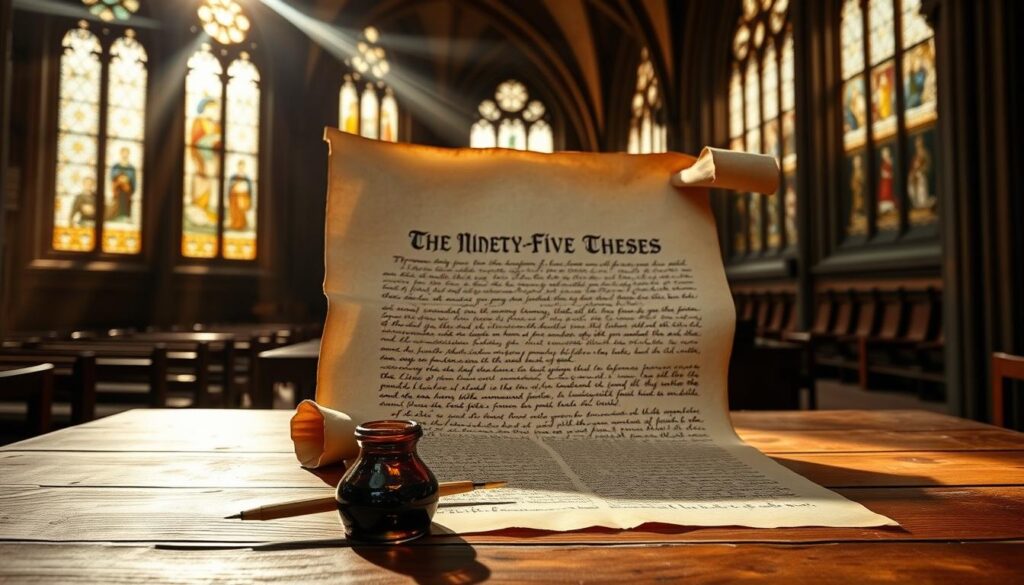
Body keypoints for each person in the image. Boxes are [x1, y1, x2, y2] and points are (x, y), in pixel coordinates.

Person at [189, 97, 222, 225]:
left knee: (210, 183)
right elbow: (195, 140)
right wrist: (210, 140)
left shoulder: (216, 125)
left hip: (212, 158)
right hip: (200, 157)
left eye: (215, 109)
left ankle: (206, 208)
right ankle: (198, 207)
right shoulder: (198, 122)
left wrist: (218, 142)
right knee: (201, 181)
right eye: (211, 109)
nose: (214, 112)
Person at [107, 146, 136, 220]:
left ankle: (125, 217)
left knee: (126, 204)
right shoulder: (115, 166)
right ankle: (116, 217)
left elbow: (133, 181)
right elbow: (112, 177)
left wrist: (127, 179)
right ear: (121, 154)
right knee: (117, 204)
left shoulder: (131, 167)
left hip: (127, 191)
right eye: (123, 153)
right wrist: (119, 178)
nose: (125, 155)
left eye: (126, 153)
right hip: (118, 190)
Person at [227, 159, 253, 231]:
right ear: (238, 167)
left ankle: (242, 226)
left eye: (242, 166)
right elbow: (230, 188)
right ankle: (234, 225)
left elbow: (249, 190)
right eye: (240, 166)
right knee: (235, 212)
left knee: (242, 212)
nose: (241, 168)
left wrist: (249, 200)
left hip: (243, 197)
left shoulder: (247, 178)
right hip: (234, 198)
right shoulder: (233, 177)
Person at [908, 135, 933, 208]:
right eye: (917, 142)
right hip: (915, 176)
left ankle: (923, 204)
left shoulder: (925, 152)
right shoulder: (915, 154)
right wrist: (913, 173)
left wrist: (921, 170)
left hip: (921, 175)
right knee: (912, 190)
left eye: (919, 142)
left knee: (921, 191)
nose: (918, 144)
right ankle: (917, 205)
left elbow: (927, 165)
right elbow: (913, 166)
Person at [877, 147, 895, 216]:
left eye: (885, 153)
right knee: (884, 193)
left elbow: (891, 172)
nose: (884, 155)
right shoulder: (883, 162)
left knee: (888, 192)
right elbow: (882, 172)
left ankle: (889, 208)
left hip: (888, 181)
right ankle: (884, 209)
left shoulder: (890, 161)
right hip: (884, 182)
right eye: (883, 154)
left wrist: (887, 174)